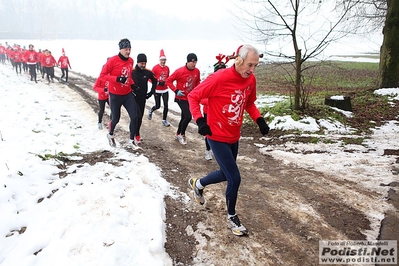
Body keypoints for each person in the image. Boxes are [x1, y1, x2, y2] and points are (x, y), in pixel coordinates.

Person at [187, 44, 270, 236]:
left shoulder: (250, 80)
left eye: (255, 66)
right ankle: (232, 216)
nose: (252, 70)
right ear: (238, 60)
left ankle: (198, 184)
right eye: (250, 65)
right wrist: (200, 120)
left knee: (226, 174)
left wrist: (259, 119)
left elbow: (248, 103)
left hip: (234, 136)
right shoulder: (219, 78)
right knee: (235, 177)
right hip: (216, 136)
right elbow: (193, 96)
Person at [98, 38, 140, 150]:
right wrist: (117, 79)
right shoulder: (112, 60)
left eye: (130, 49)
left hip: (127, 94)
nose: (128, 51)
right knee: (116, 118)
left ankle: (132, 140)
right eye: (126, 49)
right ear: (121, 49)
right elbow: (102, 76)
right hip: (115, 95)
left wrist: (132, 84)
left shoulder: (131, 60)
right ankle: (110, 134)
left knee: (134, 116)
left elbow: (129, 76)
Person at [166, 53, 201, 145]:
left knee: (184, 117)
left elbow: (197, 82)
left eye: (195, 62)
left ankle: (178, 133)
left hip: (190, 98)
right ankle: (182, 134)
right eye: (192, 62)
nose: (194, 64)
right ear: (188, 62)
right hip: (180, 97)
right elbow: (168, 81)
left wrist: (198, 91)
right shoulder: (180, 71)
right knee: (188, 116)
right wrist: (176, 90)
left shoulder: (197, 71)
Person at [202, 53, 231, 161]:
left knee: (221, 131)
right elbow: (200, 98)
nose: (222, 73)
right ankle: (208, 150)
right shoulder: (209, 81)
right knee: (209, 132)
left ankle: (221, 151)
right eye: (219, 71)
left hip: (222, 112)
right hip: (209, 111)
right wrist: (212, 102)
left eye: (223, 70)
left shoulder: (228, 82)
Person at [131, 53, 157, 144]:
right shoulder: (132, 71)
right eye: (141, 63)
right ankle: (135, 135)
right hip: (133, 97)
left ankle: (136, 133)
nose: (143, 65)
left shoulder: (148, 72)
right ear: (137, 62)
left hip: (143, 97)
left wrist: (151, 92)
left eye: (144, 63)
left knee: (140, 117)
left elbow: (155, 81)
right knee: (136, 116)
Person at [148, 49, 171, 127]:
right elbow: (150, 79)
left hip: (165, 89)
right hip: (157, 90)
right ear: (159, 60)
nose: (163, 62)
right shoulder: (155, 68)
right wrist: (158, 83)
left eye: (164, 60)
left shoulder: (167, 68)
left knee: (166, 105)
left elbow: (168, 78)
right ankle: (151, 110)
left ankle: (164, 120)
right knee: (158, 105)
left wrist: (166, 82)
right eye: (162, 60)